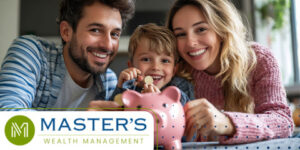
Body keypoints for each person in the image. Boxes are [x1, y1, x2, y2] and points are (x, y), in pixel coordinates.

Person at [166, 0, 294, 144]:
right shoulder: (175, 69)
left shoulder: (259, 60)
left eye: (201, 29)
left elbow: (283, 122)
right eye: (180, 34)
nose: (190, 42)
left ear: (222, 28)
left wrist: (227, 123)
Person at [0, 0, 135, 110]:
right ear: (66, 32)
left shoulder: (108, 81)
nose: (107, 45)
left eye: (114, 34)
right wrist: (84, 125)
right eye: (95, 30)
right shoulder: (31, 53)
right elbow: (7, 120)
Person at [108, 23, 194, 105]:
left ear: (174, 69)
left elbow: (183, 117)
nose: (155, 67)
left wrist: (160, 100)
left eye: (165, 61)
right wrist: (120, 89)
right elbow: (112, 115)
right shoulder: (128, 89)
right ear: (131, 66)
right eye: (146, 59)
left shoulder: (179, 93)